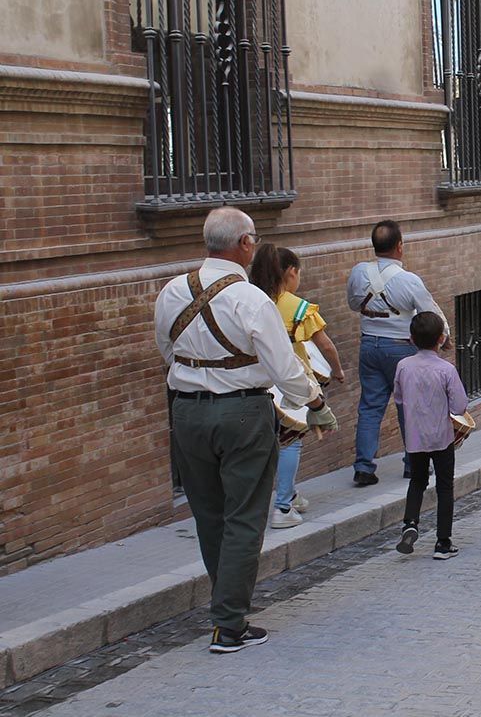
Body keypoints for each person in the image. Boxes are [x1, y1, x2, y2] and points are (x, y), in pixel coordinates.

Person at [153, 207, 337, 653]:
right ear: (245, 244)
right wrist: (313, 400)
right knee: (244, 518)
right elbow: (283, 366)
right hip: (242, 413)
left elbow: (166, 349)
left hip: (187, 413)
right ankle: (229, 624)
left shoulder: (172, 291)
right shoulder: (252, 298)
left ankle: (225, 608)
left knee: (209, 515)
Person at [249, 243, 346, 529]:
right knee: (290, 441)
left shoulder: (252, 300)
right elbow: (325, 346)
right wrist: (338, 370)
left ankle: (289, 493)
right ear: (291, 272)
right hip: (290, 382)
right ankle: (282, 506)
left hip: (256, 380)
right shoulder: (299, 307)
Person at [346, 220, 449, 486]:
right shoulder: (409, 280)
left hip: (369, 343)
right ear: (400, 246)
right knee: (410, 406)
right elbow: (428, 313)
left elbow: (352, 303)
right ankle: (412, 464)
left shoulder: (358, 272)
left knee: (369, 406)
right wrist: (444, 337)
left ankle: (363, 468)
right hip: (402, 347)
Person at [393, 312, 468, 560]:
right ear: (441, 338)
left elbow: (399, 397)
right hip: (442, 436)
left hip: (414, 437)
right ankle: (442, 543)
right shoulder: (446, 369)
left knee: (417, 481)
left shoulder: (403, 366)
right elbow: (459, 405)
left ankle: (410, 523)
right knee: (445, 486)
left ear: (411, 339)